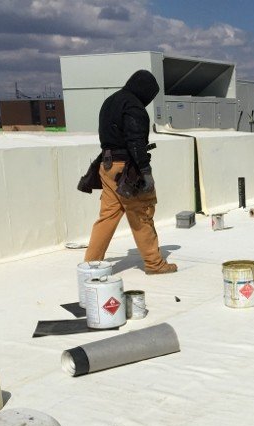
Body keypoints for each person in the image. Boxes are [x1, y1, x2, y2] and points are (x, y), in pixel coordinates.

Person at [83, 69, 177, 275]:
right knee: (142, 213)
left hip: (106, 166)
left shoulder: (110, 101)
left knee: (107, 217)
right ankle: (154, 264)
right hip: (126, 170)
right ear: (144, 91)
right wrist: (145, 171)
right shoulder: (133, 106)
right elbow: (135, 142)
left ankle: (90, 265)